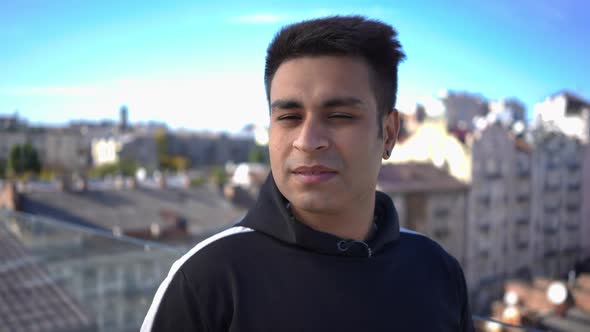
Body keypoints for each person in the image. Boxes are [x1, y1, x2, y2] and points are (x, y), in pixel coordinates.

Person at [141, 15, 475, 331]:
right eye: (288, 117)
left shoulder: (436, 270)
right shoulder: (205, 280)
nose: (308, 141)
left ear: (388, 133)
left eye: (340, 115)